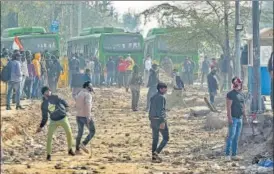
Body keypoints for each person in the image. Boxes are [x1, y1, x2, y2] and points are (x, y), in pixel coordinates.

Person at [37, 86, 75, 161]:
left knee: (69, 133)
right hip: (53, 121)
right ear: (43, 94)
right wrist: (41, 126)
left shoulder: (55, 97)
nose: (48, 93)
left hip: (63, 118)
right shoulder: (44, 104)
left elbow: (63, 100)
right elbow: (45, 117)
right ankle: (48, 155)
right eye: (46, 92)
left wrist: (67, 106)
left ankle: (70, 149)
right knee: (49, 137)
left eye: (49, 91)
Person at [225, 77, 246, 161]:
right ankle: (227, 155)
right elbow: (228, 107)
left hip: (240, 118)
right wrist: (229, 118)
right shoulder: (230, 94)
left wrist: (244, 115)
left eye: (240, 83)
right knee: (231, 136)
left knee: (236, 137)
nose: (239, 85)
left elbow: (243, 105)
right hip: (233, 118)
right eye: (237, 83)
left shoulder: (242, 94)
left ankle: (234, 154)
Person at [149, 82, 169, 163]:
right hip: (159, 120)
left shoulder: (153, 97)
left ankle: (153, 157)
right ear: (161, 89)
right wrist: (163, 121)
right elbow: (162, 111)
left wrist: (150, 120)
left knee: (155, 139)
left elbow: (150, 110)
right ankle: (156, 152)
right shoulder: (161, 98)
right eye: (165, 88)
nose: (166, 90)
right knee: (166, 138)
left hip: (153, 119)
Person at [75, 81, 95, 154]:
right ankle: (83, 144)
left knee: (80, 132)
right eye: (90, 86)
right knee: (92, 131)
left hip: (78, 115)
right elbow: (88, 106)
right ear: (87, 87)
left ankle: (77, 149)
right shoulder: (88, 95)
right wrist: (88, 116)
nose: (91, 87)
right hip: (85, 116)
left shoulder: (79, 93)